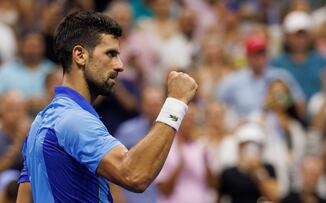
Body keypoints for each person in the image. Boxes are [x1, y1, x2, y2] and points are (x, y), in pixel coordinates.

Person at [16, 11, 198, 203]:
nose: (120, 65)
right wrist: (175, 103)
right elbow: (134, 175)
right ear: (79, 55)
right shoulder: (73, 119)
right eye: (110, 54)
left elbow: (25, 197)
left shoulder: (41, 120)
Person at [216, 34, 305, 124]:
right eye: (255, 54)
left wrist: (277, 100)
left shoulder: (280, 76)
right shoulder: (234, 80)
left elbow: (299, 103)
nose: (259, 59)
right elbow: (217, 103)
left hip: (276, 126)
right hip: (246, 127)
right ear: (248, 56)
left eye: (262, 54)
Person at [217, 123, 279, 203]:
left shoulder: (268, 168)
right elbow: (219, 198)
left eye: (255, 145)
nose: (250, 149)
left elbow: (275, 197)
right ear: (239, 147)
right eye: (245, 145)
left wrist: (258, 171)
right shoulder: (229, 173)